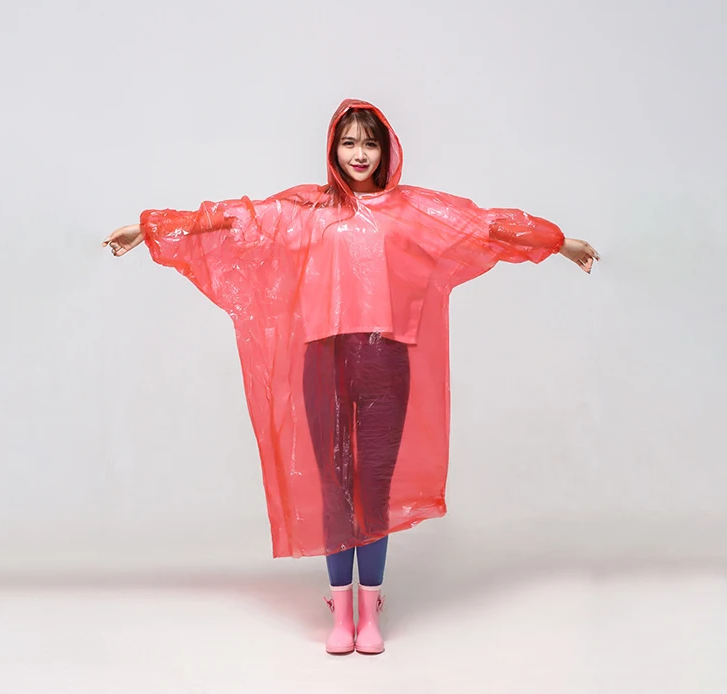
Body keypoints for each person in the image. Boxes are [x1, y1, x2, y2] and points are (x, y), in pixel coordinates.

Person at [103, 99, 600, 655]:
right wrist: (149, 228)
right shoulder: (307, 210)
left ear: (385, 151)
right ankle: (342, 611)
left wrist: (558, 242)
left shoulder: (410, 210)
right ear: (333, 150)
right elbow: (232, 217)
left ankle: (371, 608)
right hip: (323, 362)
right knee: (334, 486)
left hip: (387, 363)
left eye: (369, 143)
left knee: (374, 488)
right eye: (348, 143)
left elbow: (485, 225)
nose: (359, 153)